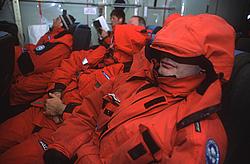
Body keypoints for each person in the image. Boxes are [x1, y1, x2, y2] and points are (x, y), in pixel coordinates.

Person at [43, 13, 235, 163]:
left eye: (180, 54)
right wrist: (62, 147)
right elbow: (88, 112)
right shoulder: (135, 80)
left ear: (204, 66)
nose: (167, 58)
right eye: (164, 50)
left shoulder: (195, 136)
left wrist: (84, 153)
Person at [0, 24, 149, 163]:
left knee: (10, 159)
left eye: (115, 39)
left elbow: (97, 116)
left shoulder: (122, 80)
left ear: (124, 47)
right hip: (42, 107)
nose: (110, 41)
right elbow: (67, 65)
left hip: (60, 129)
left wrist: (62, 109)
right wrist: (56, 91)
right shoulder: (98, 52)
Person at [10, 13, 76, 106]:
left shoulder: (62, 43)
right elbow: (38, 49)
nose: (53, 20)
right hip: (33, 69)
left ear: (61, 24)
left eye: (57, 19)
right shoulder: (54, 34)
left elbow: (33, 63)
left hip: (34, 78)